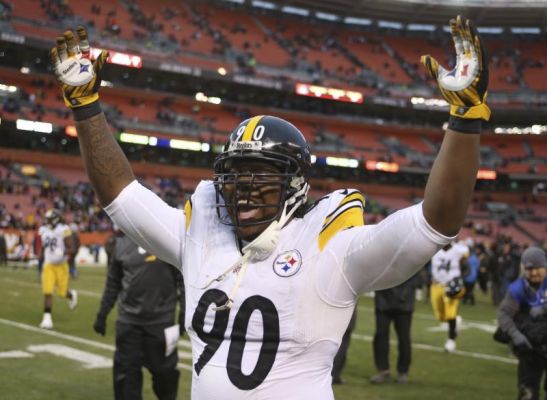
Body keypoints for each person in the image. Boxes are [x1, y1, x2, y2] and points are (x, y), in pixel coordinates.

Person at [51, 16, 490, 399]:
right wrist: (87, 109)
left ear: (295, 184)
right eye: (235, 176)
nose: (244, 189)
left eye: (261, 177)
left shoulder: (329, 248)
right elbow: (121, 195)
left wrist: (465, 121)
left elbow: (435, 222)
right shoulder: (200, 236)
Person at [93, 231, 185, 400]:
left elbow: (182, 279)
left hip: (161, 323)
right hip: (129, 323)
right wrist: (102, 314)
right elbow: (113, 282)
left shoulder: (166, 240)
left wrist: (185, 312)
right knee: (126, 377)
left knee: (165, 376)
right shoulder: (120, 244)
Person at [497, 246, 547, 400]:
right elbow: (504, 314)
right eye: (529, 269)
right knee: (527, 393)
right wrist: (515, 334)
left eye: (537, 268)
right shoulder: (518, 289)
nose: (533, 273)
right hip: (530, 348)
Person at [369, 272, 422, 384]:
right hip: (384, 302)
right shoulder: (382, 257)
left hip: (404, 305)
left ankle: (403, 372)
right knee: (380, 337)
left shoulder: (410, 256)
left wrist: (405, 293)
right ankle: (383, 371)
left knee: (404, 339)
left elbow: (419, 276)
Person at [38, 208, 78, 329]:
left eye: (50, 219)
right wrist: (40, 256)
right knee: (48, 291)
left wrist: (63, 252)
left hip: (61, 266)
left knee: (62, 293)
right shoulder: (43, 230)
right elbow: (45, 246)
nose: (47, 221)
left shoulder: (63, 230)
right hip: (48, 265)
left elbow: (73, 248)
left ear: (56, 219)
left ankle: (71, 295)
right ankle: (47, 318)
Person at [430, 241, 469, 352]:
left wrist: (461, 277)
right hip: (436, 285)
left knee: (450, 313)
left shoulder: (458, 249)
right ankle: (456, 321)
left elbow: (466, 256)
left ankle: (451, 340)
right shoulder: (433, 249)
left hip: (450, 286)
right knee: (440, 316)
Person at [331, 306, 357, 385]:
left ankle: (333, 374)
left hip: (331, 312)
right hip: (345, 312)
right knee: (343, 343)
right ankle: (334, 375)